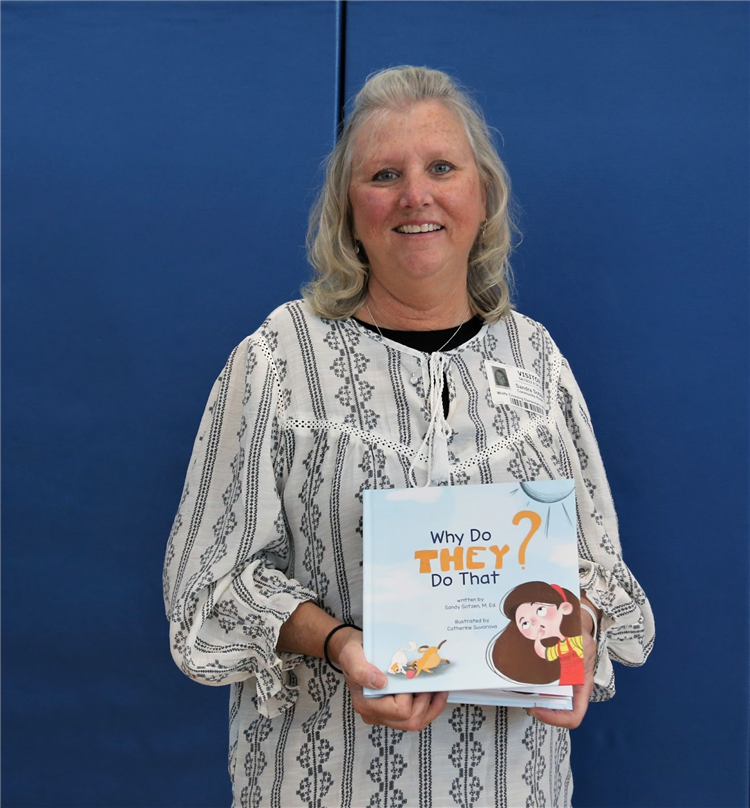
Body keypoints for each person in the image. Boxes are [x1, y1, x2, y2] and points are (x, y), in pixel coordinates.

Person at [163, 66, 654, 808]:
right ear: (349, 212)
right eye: (384, 174)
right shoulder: (276, 359)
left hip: (512, 782)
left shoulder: (536, 358)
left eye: (442, 168)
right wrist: (341, 645)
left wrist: (570, 647)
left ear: (481, 198)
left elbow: (596, 569)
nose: (415, 196)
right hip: (325, 781)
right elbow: (210, 583)